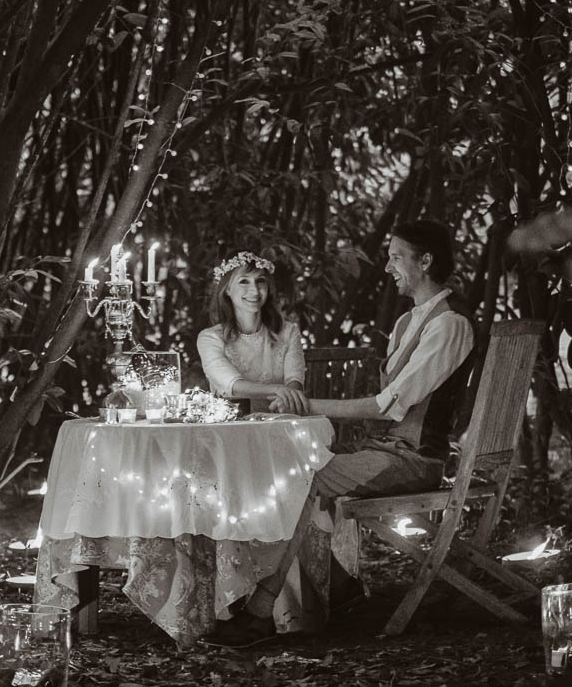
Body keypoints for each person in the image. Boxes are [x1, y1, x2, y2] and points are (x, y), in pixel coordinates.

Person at [205, 220, 476, 647]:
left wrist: (305, 405)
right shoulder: (409, 322)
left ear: (425, 261)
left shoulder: (450, 325)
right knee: (292, 470)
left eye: (395, 257)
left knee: (304, 479)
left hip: (416, 459)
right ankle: (340, 586)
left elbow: (388, 407)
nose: (387, 267)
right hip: (385, 450)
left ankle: (260, 611)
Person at [195, 252, 307, 413]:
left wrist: (288, 398)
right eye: (244, 281)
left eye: (260, 281)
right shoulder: (210, 338)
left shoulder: (289, 331)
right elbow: (232, 385)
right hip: (233, 423)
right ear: (227, 290)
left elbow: (295, 380)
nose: (254, 290)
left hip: (281, 416)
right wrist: (278, 390)